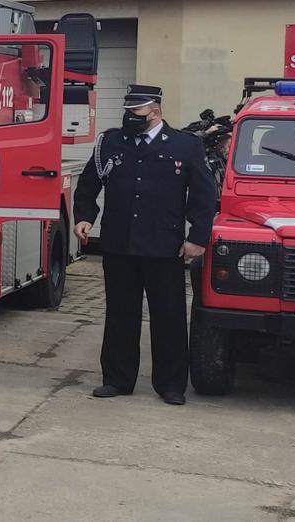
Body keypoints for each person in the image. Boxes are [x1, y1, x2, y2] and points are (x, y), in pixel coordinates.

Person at [74, 84, 216, 405]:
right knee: (121, 315)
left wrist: (197, 238)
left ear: (154, 112)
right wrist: (84, 215)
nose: (129, 118)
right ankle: (117, 379)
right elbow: (88, 182)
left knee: (169, 317)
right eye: (127, 112)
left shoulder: (185, 146)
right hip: (119, 244)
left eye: (135, 113)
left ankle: (171, 385)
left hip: (164, 247)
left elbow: (204, 196)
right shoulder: (111, 143)